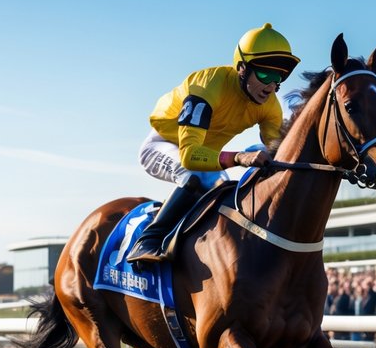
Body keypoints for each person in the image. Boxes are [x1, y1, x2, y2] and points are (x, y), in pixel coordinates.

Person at [125, 23, 299, 264]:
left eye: (278, 77)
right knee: (193, 176)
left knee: (225, 190)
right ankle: (147, 241)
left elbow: (278, 154)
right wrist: (239, 157)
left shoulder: (270, 107)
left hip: (204, 155)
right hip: (163, 145)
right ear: (242, 68)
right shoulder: (207, 85)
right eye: (265, 75)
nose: (271, 86)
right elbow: (189, 156)